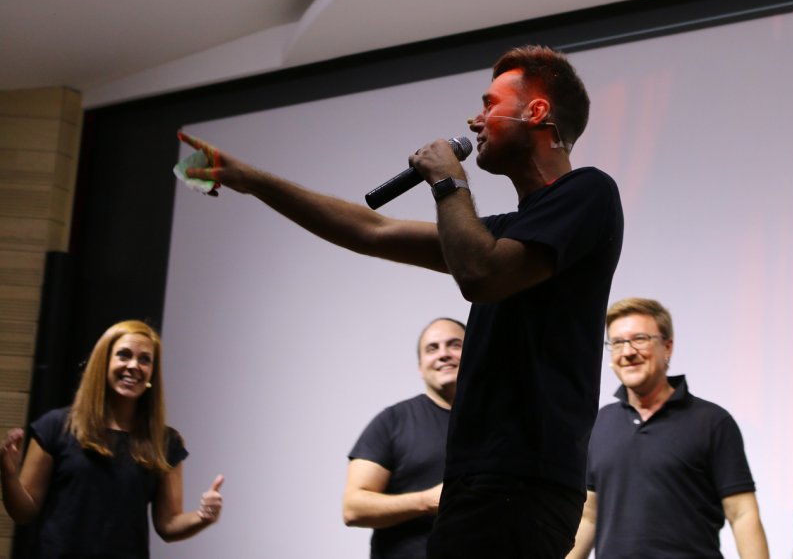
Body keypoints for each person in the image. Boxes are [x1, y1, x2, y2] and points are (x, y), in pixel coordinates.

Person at [178, 45, 624, 558]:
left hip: (522, 484)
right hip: (480, 483)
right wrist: (251, 180)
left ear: (537, 111)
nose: (474, 120)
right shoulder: (508, 231)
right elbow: (373, 229)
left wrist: (448, 181)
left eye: (489, 104)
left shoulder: (589, 192)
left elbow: (480, 275)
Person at [0, 320, 224, 558]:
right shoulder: (56, 426)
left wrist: (203, 517)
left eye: (145, 360)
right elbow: (24, 512)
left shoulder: (165, 442)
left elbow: (168, 524)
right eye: (124, 355)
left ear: (152, 373)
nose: (134, 366)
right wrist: (8, 475)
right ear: (103, 362)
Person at [569, 297, 769, 559]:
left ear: (667, 347)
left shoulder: (712, 422)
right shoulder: (600, 424)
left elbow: (742, 513)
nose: (628, 352)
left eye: (639, 339)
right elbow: (589, 517)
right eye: (617, 343)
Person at [343, 317, 465, 558]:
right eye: (432, 348)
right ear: (420, 367)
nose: (443, 354)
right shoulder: (392, 422)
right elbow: (353, 508)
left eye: (455, 345)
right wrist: (426, 501)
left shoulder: (505, 424)